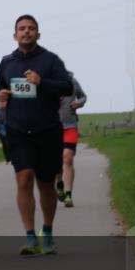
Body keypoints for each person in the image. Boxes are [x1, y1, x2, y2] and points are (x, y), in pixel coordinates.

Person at [0, 14, 73, 256]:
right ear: (15, 35)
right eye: (21, 29)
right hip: (18, 130)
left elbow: (67, 87)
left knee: (46, 184)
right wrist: (1, 95)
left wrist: (42, 82)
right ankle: (30, 237)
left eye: (31, 29)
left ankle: (47, 232)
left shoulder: (50, 60)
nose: (26, 32)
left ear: (38, 34)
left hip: (47, 129)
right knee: (24, 179)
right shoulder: (7, 62)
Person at [57, 72, 87, 207]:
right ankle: (59, 185)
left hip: (70, 126)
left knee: (68, 158)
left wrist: (79, 103)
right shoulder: (46, 83)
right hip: (52, 128)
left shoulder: (72, 81)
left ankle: (68, 195)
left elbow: (83, 96)